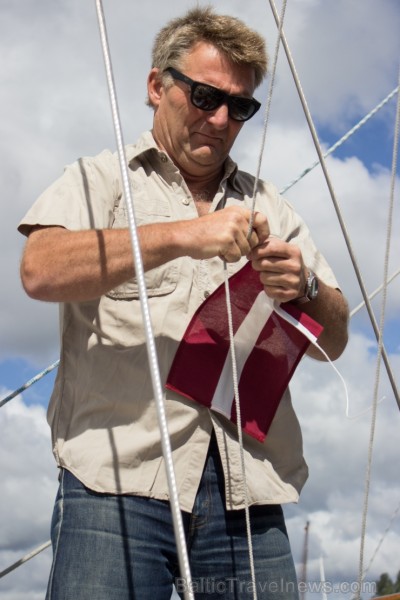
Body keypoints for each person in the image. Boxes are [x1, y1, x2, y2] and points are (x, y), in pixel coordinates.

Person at [19, 7, 349, 600]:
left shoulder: (272, 204)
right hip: (112, 488)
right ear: (156, 87)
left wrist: (310, 289)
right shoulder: (101, 180)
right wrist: (180, 236)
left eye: (240, 107)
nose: (220, 119)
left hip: (249, 496)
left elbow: (334, 343)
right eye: (204, 96)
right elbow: (40, 270)